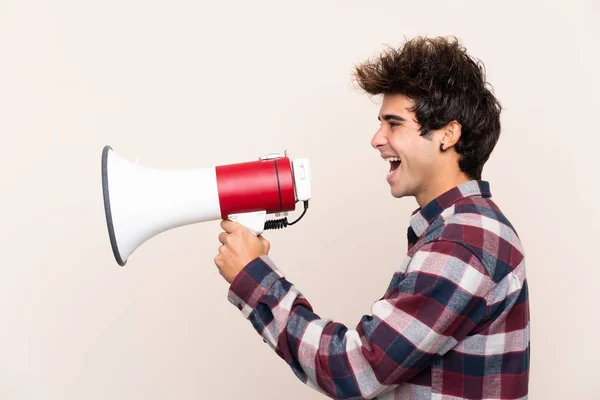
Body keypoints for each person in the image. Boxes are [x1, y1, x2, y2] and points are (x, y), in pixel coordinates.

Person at [214, 36, 530, 400]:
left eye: (394, 124)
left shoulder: (463, 243)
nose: (376, 139)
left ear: (448, 134)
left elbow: (356, 370)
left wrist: (254, 277)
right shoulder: (462, 230)